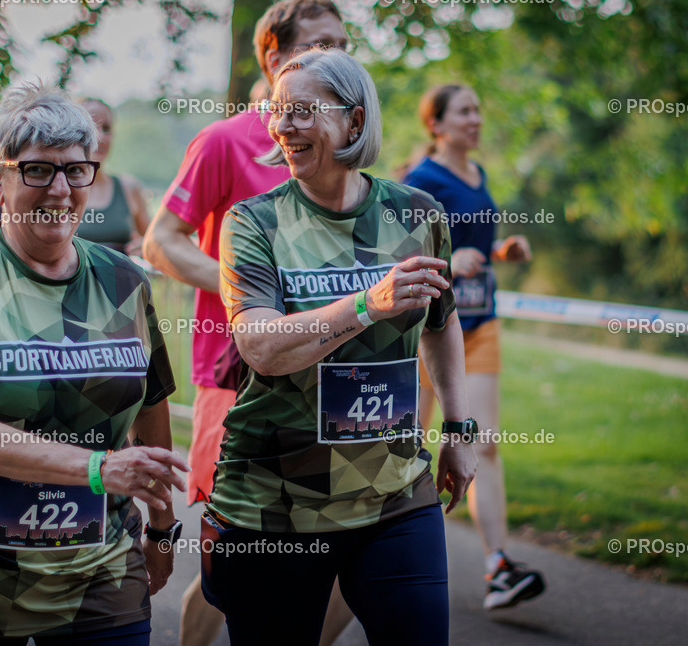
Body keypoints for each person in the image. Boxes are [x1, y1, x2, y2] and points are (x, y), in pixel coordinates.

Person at [0, 83, 188, 643]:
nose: (59, 189)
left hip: (99, 569)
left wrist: (163, 529)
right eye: (37, 171)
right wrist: (97, 469)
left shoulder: (125, 280)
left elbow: (151, 408)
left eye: (76, 171)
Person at [201, 48, 478, 646]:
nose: (283, 126)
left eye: (301, 110)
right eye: (276, 111)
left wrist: (458, 428)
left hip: (394, 493)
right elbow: (260, 347)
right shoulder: (254, 222)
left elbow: (441, 321)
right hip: (276, 500)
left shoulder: (418, 213)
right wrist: (364, 304)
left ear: (354, 122)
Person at [142, 0, 356, 646]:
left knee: (350, 539)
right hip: (238, 373)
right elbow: (160, 242)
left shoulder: (344, 136)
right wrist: (245, 291)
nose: (337, 57)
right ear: (273, 57)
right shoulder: (226, 139)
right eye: (321, 45)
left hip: (325, 372)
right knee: (236, 549)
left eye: (344, 46)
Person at [403, 83, 545, 611]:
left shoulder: (479, 176)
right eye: (465, 111)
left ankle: (498, 568)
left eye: (479, 109)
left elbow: (474, 247)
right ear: (436, 124)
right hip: (429, 331)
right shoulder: (420, 181)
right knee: (409, 448)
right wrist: (449, 261)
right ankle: (385, 551)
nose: (476, 119)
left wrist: (501, 251)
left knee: (484, 443)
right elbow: (402, 253)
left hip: (480, 326)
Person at [74, 98, 150, 254]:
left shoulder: (128, 187)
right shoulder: (59, 188)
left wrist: (145, 249)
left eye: (107, 128)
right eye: (92, 127)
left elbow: (155, 243)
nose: (100, 137)